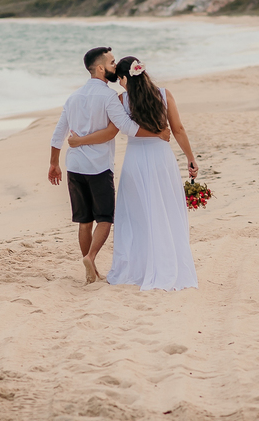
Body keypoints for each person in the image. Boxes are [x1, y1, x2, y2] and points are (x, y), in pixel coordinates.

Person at [68, 56, 198, 291]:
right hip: (162, 160)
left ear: (125, 78)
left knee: (136, 216)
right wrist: (190, 158)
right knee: (164, 210)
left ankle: (136, 267)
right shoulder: (164, 94)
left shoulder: (121, 100)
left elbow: (110, 132)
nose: (118, 82)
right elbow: (177, 129)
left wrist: (79, 141)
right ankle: (168, 263)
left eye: (119, 78)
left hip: (135, 161)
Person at [49, 47, 169, 284]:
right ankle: (91, 258)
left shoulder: (72, 97)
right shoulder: (108, 97)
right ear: (101, 68)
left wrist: (54, 164)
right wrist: (157, 133)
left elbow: (58, 134)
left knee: (84, 220)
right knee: (104, 217)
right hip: (99, 167)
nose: (116, 67)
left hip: (74, 166)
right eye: (112, 63)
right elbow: (125, 127)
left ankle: (89, 267)